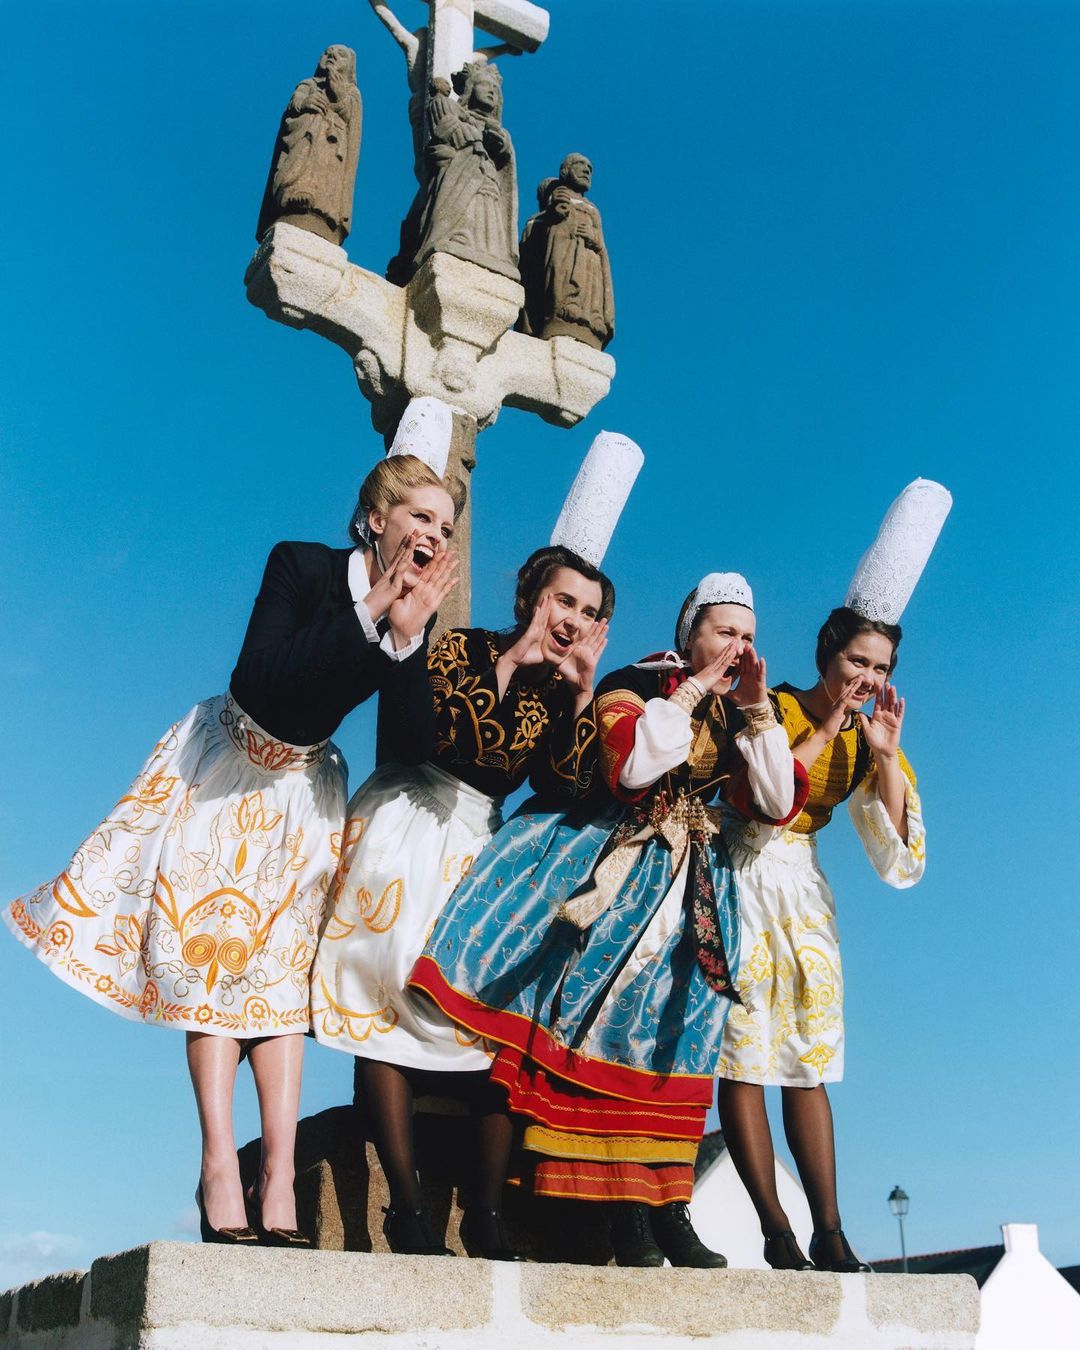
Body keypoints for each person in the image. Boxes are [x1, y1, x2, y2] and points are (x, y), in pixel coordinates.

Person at [4, 452, 460, 1246]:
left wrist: (407, 640)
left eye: (446, 527)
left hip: (303, 792)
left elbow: (411, 748)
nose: (434, 534)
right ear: (376, 517)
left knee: (281, 978)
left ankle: (277, 1177)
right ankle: (219, 1164)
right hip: (225, 769)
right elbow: (258, 678)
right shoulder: (302, 566)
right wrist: (368, 612)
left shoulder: (406, 615)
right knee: (210, 961)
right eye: (421, 515)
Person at [412, 574, 809, 1267]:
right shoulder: (641, 682)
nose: (738, 648)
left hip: (693, 889)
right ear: (690, 636)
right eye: (724, 632)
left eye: (748, 637)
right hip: (617, 867)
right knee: (587, 1032)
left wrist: (755, 711)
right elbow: (631, 767)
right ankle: (602, 1210)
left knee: (676, 1044)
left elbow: (776, 803)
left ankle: (667, 1207)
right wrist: (691, 690)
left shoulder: (748, 711)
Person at [311, 545, 612, 1259]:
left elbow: (566, 785)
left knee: (496, 1025)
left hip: (481, 846)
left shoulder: (559, 688)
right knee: (381, 1002)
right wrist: (510, 664)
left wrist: (580, 696)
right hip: (410, 822)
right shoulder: (463, 647)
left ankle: (484, 1214)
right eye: (564, 600)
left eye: (590, 612)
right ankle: (406, 1209)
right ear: (531, 596)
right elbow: (441, 736)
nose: (574, 619)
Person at [715, 606, 925, 1272]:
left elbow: (896, 853)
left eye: (881, 667)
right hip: (740, 869)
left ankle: (828, 1230)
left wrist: (885, 757)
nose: (868, 676)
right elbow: (762, 799)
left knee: (809, 1055)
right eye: (857, 660)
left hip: (802, 888)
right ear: (826, 656)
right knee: (744, 1052)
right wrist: (828, 725)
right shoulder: (771, 705)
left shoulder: (869, 737)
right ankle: (774, 1227)